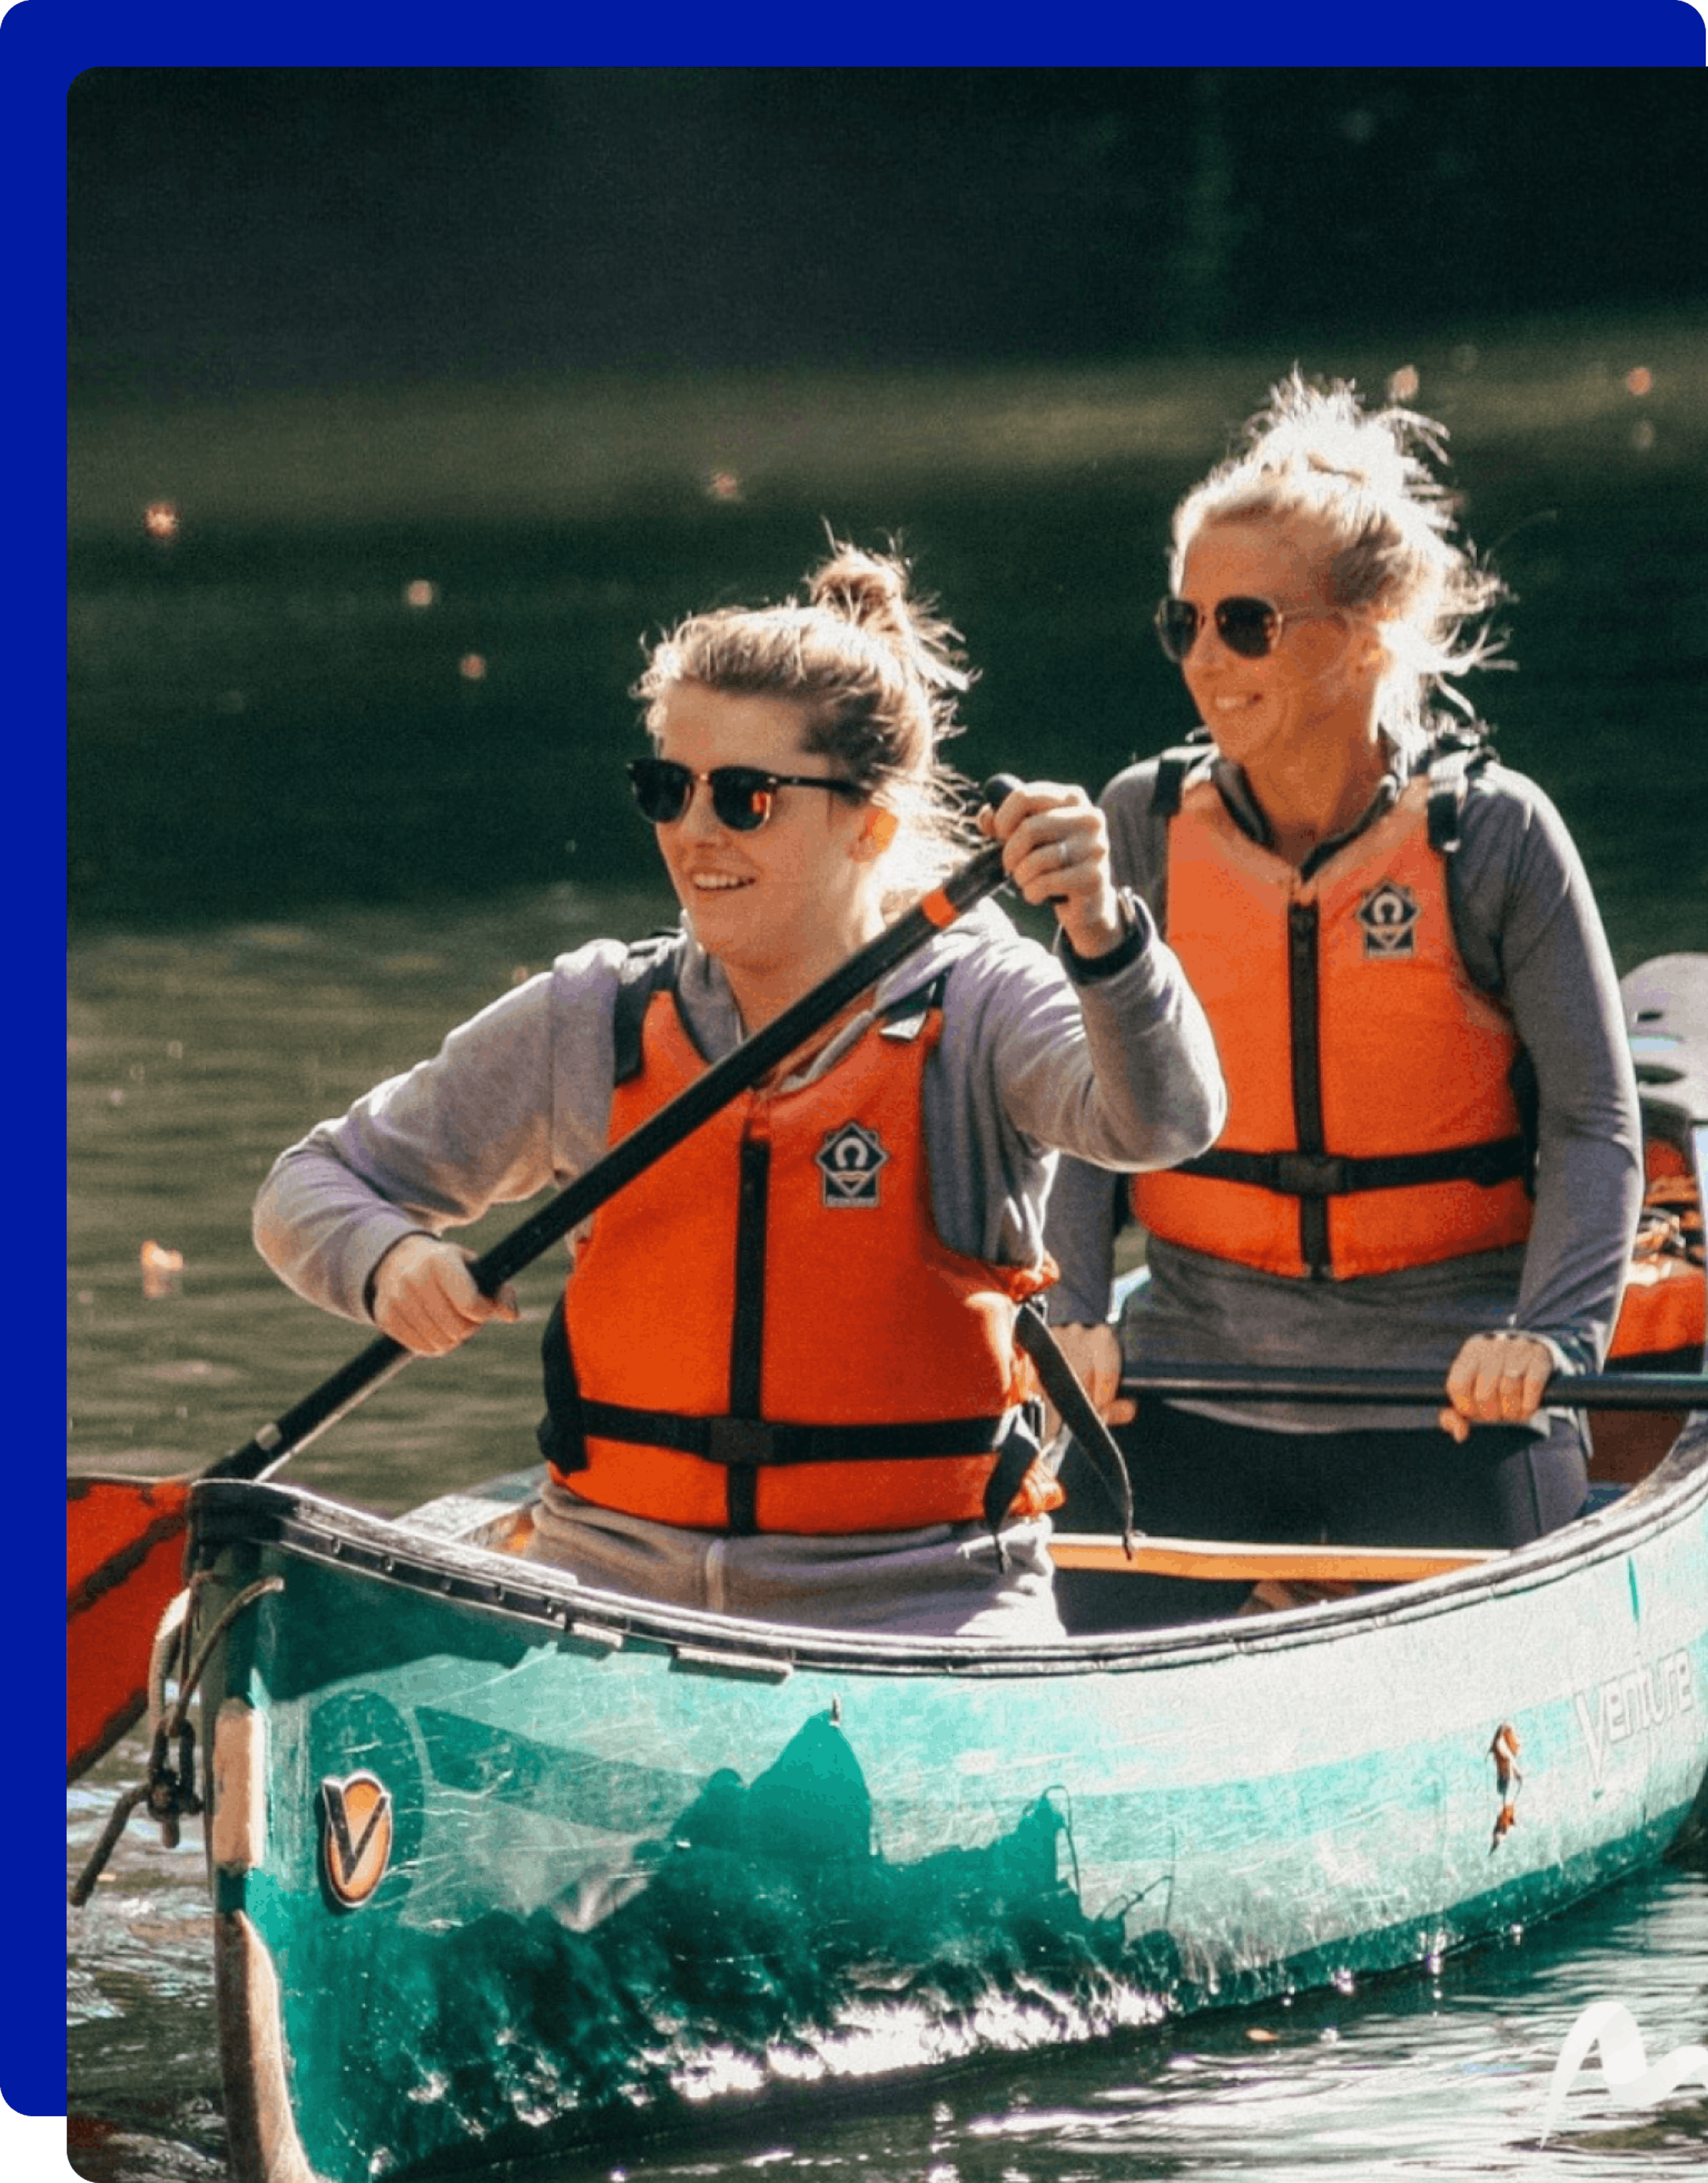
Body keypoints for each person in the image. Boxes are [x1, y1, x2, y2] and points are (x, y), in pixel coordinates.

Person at [253, 541, 1225, 1642]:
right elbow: (308, 1186)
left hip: (927, 1605)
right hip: (611, 1599)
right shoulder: (594, 1018)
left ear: (872, 823)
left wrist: (1103, 933)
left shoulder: (986, 1007)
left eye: (745, 797)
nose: (693, 833)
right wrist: (390, 1263)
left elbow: (1169, 1123)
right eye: (667, 788)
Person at [1045, 373, 1642, 1623]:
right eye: (1186, 624)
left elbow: (1594, 1128)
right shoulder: (1141, 824)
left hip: (1451, 1375)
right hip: (1181, 1371)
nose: (1206, 660)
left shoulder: (1495, 838)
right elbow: (1092, 1115)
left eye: (1248, 624)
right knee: (1064, 1614)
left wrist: (1552, 1343)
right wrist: (1075, 1322)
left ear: (1367, 632)